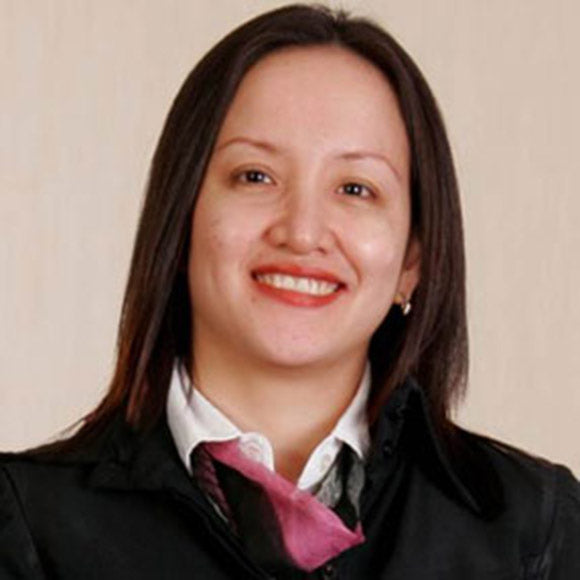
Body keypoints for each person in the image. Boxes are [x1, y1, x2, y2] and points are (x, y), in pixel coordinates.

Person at [1, 4, 579, 579]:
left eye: (356, 188)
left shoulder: (534, 537)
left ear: (412, 261)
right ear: (180, 222)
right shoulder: (25, 525)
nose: (302, 232)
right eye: (255, 176)